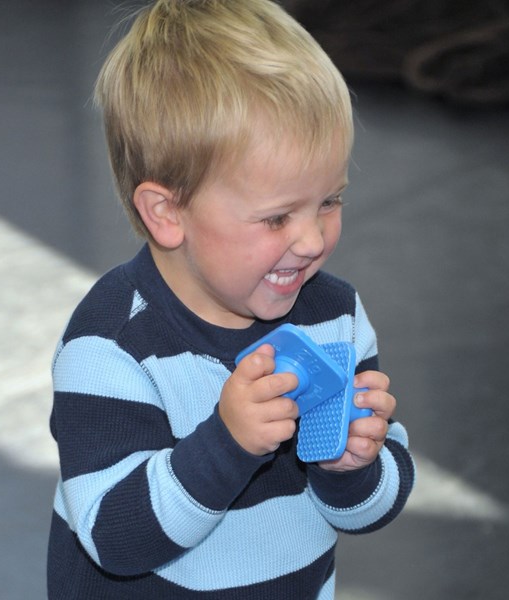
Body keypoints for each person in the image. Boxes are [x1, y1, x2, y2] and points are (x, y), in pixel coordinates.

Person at [46, 1, 415, 598]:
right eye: (276, 218)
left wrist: (354, 467)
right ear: (167, 213)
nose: (312, 239)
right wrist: (228, 443)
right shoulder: (112, 345)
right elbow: (114, 539)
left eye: (329, 201)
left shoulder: (335, 318)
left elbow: (370, 509)